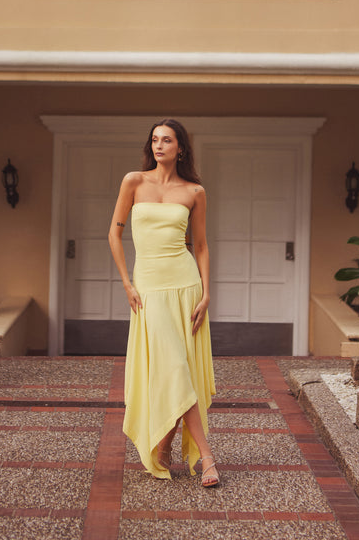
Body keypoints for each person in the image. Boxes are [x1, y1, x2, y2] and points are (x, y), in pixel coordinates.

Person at [108, 118, 218, 486]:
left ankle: (168, 445)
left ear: (180, 147)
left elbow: (200, 245)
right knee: (172, 366)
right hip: (149, 287)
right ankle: (207, 457)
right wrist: (126, 282)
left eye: (166, 140)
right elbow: (114, 233)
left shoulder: (194, 192)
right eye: (154, 140)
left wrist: (206, 291)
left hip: (185, 284)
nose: (159, 145)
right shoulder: (133, 182)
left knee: (179, 368)